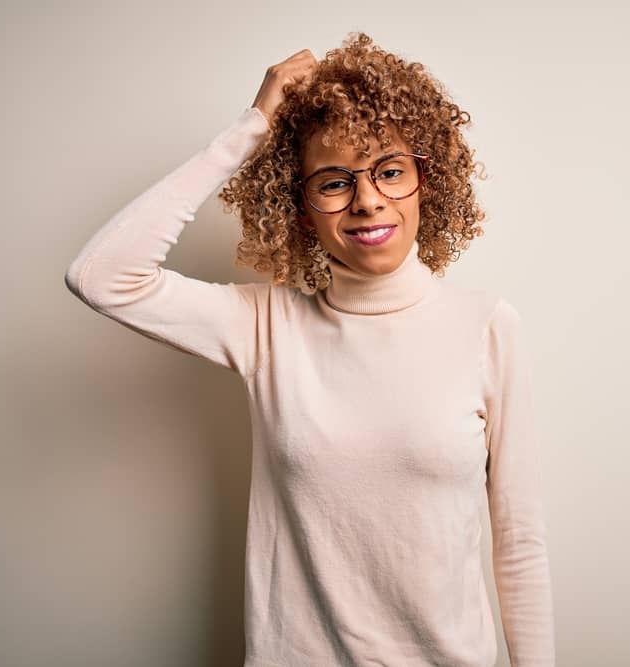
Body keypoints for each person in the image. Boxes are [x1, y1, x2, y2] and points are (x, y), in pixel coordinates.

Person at [65, 32, 555, 667]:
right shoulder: (265, 327)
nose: (368, 199)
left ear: (424, 180)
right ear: (299, 208)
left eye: (389, 171)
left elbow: (519, 542)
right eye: (332, 182)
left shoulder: (486, 325)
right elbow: (101, 274)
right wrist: (250, 128)